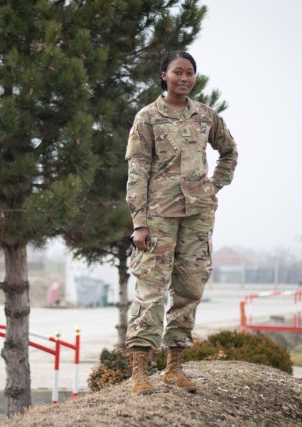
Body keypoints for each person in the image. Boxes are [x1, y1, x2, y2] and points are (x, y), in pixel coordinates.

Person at [125, 51, 238, 394]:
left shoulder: (205, 116)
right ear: (164, 76)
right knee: (151, 289)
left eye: (190, 73)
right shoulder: (148, 117)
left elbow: (229, 151)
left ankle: (174, 368)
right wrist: (139, 221)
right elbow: (137, 170)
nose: (184, 78)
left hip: (197, 217)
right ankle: (140, 372)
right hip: (158, 216)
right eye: (178, 72)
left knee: (189, 290)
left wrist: (213, 185)